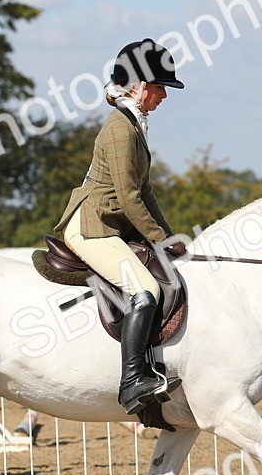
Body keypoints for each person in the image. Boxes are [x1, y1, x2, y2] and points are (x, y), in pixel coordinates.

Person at [53, 38, 187, 414]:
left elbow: (147, 193)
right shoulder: (119, 129)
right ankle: (132, 381)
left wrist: (169, 237)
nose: (163, 95)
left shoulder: (134, 125)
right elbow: (129, 198)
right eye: (160, 86)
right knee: (145, 288)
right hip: (91, 226)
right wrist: (159, 239)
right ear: (138, 86)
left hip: (111, 225)